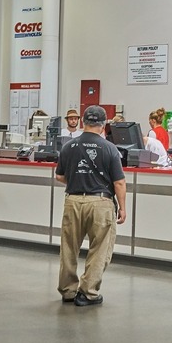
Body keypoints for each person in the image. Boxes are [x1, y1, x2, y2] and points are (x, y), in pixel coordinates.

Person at [55, 106, 126, 306]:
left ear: (83, 122)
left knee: (69, 248)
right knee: (101, 247)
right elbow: (119, 182)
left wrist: (78, 179)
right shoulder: (109, 148)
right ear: (103, 126)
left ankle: (68, 291)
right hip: (100, 203)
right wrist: (122, 207)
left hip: (73, 201)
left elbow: (59, 176)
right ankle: (87, 292)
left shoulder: (68, 146)